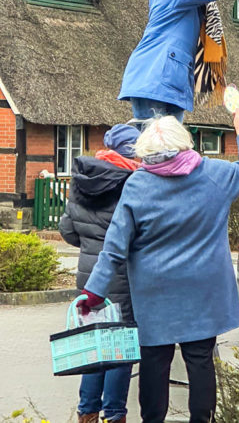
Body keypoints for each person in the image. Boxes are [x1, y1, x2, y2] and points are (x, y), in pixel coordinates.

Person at [78, 110, 239, 423]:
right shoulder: (215, 175)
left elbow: (114, 247)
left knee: (154, 365)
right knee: (201, 361)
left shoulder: (138, 184)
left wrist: (93, 292)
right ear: (185, 144)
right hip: (203, 293)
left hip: (155, 297)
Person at [58, 124, 141, 423]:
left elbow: (67, 229)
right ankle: (115, 413)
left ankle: (87, 413)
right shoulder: (132, 181)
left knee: (94, 346)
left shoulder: (83, 178)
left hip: (88, 278)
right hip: (121, 277)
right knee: (120, 348)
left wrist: (89, 244)